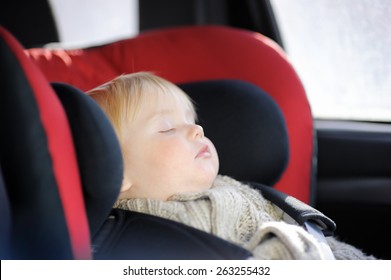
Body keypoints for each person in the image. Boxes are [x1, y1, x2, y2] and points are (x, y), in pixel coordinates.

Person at [88, 72, 376, 260]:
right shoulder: (154, 233)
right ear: (118, 172)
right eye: (166, 128)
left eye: (192, 121)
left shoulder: (235, 187)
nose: (196, 130)